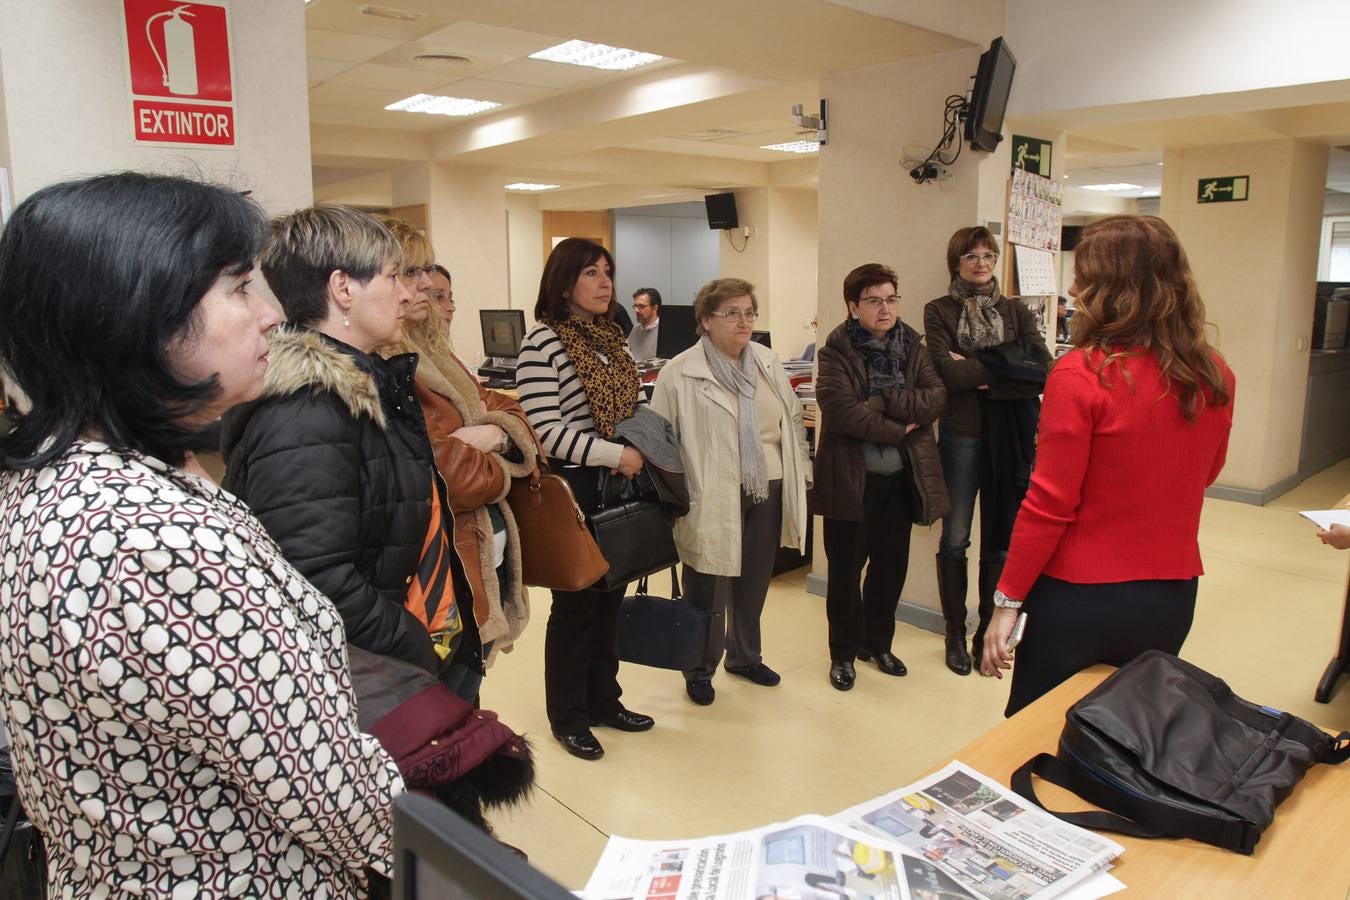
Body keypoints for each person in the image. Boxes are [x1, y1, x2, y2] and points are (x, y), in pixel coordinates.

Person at [0, 172, 404, 895]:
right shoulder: (155, 542)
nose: (271, 316)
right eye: (239, 287)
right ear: (141, 316)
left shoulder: (54, 481)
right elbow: (335, 793)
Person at [981, 215, 1236, 716]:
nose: (1072, 287)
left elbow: (1048, 505)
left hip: (1079, 598)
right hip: (1169, 596)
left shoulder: (1080, 374)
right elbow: (1203, 474)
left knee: (1040, 737)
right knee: (1130, 738)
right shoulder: (1213, 373)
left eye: (1084, 277)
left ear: (1117, 289)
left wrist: (1006, 604)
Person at [222, 204, 473, 683]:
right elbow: (316, 581)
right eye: (393, 277)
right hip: (378, 672)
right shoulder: (307, 410)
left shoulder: (367, 384)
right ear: (343, 289)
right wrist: (415, 648)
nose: (408, 294)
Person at [378, 219, 541, 685]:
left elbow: (509, 411)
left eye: (427, 269)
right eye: (411, 271)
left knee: (467, 698)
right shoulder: (392, 366)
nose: (427, 284)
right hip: (443, 572)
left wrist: (494, 435)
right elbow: (453, 477)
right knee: (448, 704)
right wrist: (508, 466)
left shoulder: (438, 356)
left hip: (476, 558)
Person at [515, 237, 654, 760]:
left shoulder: (613, 341)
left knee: (611, 599)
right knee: (577, 605)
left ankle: (604, 700)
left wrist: (640, 445)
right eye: (592, 273)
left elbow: (637, 407)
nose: (605, 284)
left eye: (607, 273)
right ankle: (569, 715)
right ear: (564, 283)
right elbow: (544, 431)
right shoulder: (543, 343)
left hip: (622, 483)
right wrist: (612, 455)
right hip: (578, 488)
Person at [651, 278, 811, 705]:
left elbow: (791, 420)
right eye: (733, 313)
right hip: (710, 489)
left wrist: (803, 472)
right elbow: (661, 439)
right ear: (706, 320)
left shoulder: (766, 361)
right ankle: (699, 667)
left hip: (767, 484)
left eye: (750, 312)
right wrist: (675, 495)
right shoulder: (680, 371)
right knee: (708, 584)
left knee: (754, 580)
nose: (745, 322)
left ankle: (744, 656)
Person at [810, 264, 949, 691]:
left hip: (900, 482)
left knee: (890, 570)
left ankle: (879, 643)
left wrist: (883, 399)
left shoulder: (913, 347)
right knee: (846, 573)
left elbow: (935, 398)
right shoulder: (834, 352)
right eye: (874, 300)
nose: (885, 308)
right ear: (854, 307)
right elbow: (842, 411)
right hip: (851, 482)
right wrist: (899, 426)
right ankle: (843, 654)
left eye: (891, 298)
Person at [924, 227, 1052, 677]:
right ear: (955, 262)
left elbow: (1042, 367)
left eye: (988, 255)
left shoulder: (1016, 308)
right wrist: (1006, 364)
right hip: (962, 434)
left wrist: (983, 370)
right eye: (971, 256)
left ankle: (985, 636)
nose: (981, 263)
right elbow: (945, 373)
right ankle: (955, 634)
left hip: (1010, 436)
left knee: (1001, 538)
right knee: (955, 536)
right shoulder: (939, 310)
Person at [628, 287, 663, 360]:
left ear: (654, 308)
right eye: (635, 306)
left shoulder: (664, 332)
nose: (636, 310)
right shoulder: (634, 330)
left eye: (641, 306)